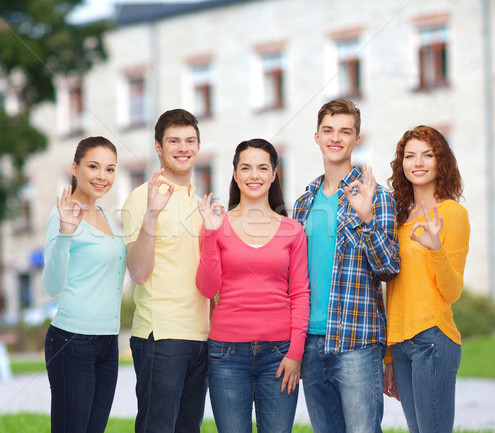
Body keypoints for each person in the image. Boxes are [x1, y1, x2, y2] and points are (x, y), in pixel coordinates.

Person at [292, 98, 400, 433]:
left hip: (356, 340)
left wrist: (366, 218)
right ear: (317, 137)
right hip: (310, 341)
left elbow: (388, 268)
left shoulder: (378, 197)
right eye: (328, 131)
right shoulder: (303, 203)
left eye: (345, 131)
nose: (335, 138)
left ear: (356, 139)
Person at [196, 139, 310, 433]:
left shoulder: (292, 230)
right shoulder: (216, 224)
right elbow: (208, 289)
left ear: (274, 174)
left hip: (280, 353)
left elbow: (299, 294)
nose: (254, 175)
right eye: (246, 168)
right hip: (227, 354)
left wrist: (296, 352)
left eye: (262, 168)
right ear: (235, 174)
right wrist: (209, 235)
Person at [121, 109, 211, 433]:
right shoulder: (140, 199)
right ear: (158, 147)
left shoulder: (199, 204)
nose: (182, 148)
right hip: (161, 337)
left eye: (189, 141)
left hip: (199, 337)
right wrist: (151, 216)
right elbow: (139, 273)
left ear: (198, 146)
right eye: (173, 141)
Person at [383, 125, 470, 433]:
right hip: (402, 343)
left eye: (427, 155)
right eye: (410, 156)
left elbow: (452, 291)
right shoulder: (398, 217)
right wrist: (389, 355)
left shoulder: (452, 213)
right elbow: (393, 289)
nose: (418, 162)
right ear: (401, 163)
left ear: (440, 162)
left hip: (432, 339)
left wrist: (436, 250)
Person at [42, 136, 126, 433]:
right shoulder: (62, 214)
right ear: (75, 168)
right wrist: (66, 233)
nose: (102, 176)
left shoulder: (105, 215)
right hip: (72, 342)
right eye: (94, 166)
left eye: (110, 169)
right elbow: (51, 285)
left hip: (107, 341)